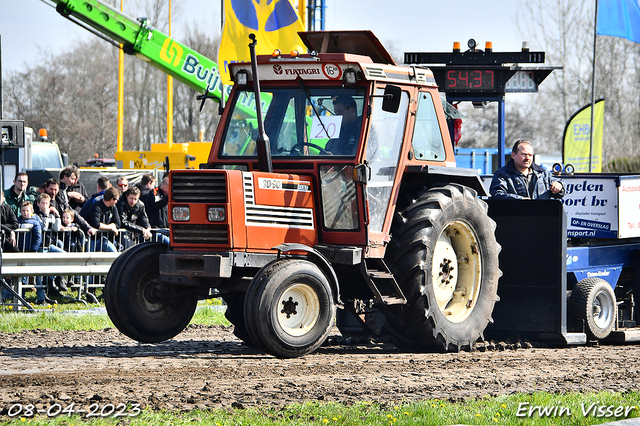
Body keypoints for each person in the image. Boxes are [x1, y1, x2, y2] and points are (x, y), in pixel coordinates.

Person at [490, 140, 565, 200]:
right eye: (524, 154)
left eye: (530, 155)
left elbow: (562, 192)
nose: (527, 158)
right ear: (513, 155)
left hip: (541, 217)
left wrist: (559, 186)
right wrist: (520, 200)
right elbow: (497, 195)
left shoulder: (543, 174)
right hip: (514, 217)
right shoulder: (502, 174)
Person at [17, 201, 49, 305]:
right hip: (21, 250)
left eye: (27, 211)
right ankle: (21, 296)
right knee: (22, 276)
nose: (25, 213)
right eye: (23, 211)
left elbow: (38, 237)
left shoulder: (35, 222)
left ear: (31, 211)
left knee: (35, 275)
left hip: (31, 251)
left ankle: (40, 296)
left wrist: (33, 250)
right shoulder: (18, 220)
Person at [86, 187, 121, 252]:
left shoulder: (113, 207)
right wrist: (111, 228)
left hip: (105, 239)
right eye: (117, 200)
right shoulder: (96, 206)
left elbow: (118, 223)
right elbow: (96, 224)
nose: (117, 202)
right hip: (93, 239)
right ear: (112, 199)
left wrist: (107, 226)